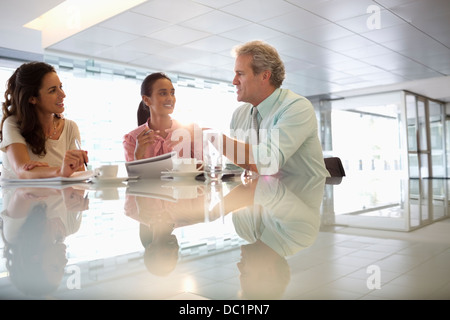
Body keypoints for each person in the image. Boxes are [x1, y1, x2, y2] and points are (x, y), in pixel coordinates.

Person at [221, 40, 330, 177]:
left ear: (265, 76)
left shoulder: (297, 107)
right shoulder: (239, 114)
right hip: (265, 194)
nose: (234, 81)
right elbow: (233, 170)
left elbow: (267, 162)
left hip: (302, 194)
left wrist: (213, 139)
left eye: (240, 74)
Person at [0, 61, 88, 180]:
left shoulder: (70, 127)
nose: (63, 94)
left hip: (60, 198)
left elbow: (78, 175)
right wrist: (61, 171)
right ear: (32, 98)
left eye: (60, 87)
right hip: (20, 197)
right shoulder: (12, 124)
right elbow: (22, 171)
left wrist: (68, 169)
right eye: (52, 90)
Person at [123, 72, 202, 162]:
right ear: (146, 100)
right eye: (163, 93)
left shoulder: (188, 131)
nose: (170, 98)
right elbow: (134, 176)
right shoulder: (132, 139)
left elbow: (202, 171)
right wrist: (138, 155)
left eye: (172, 93)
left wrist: (196, 141)